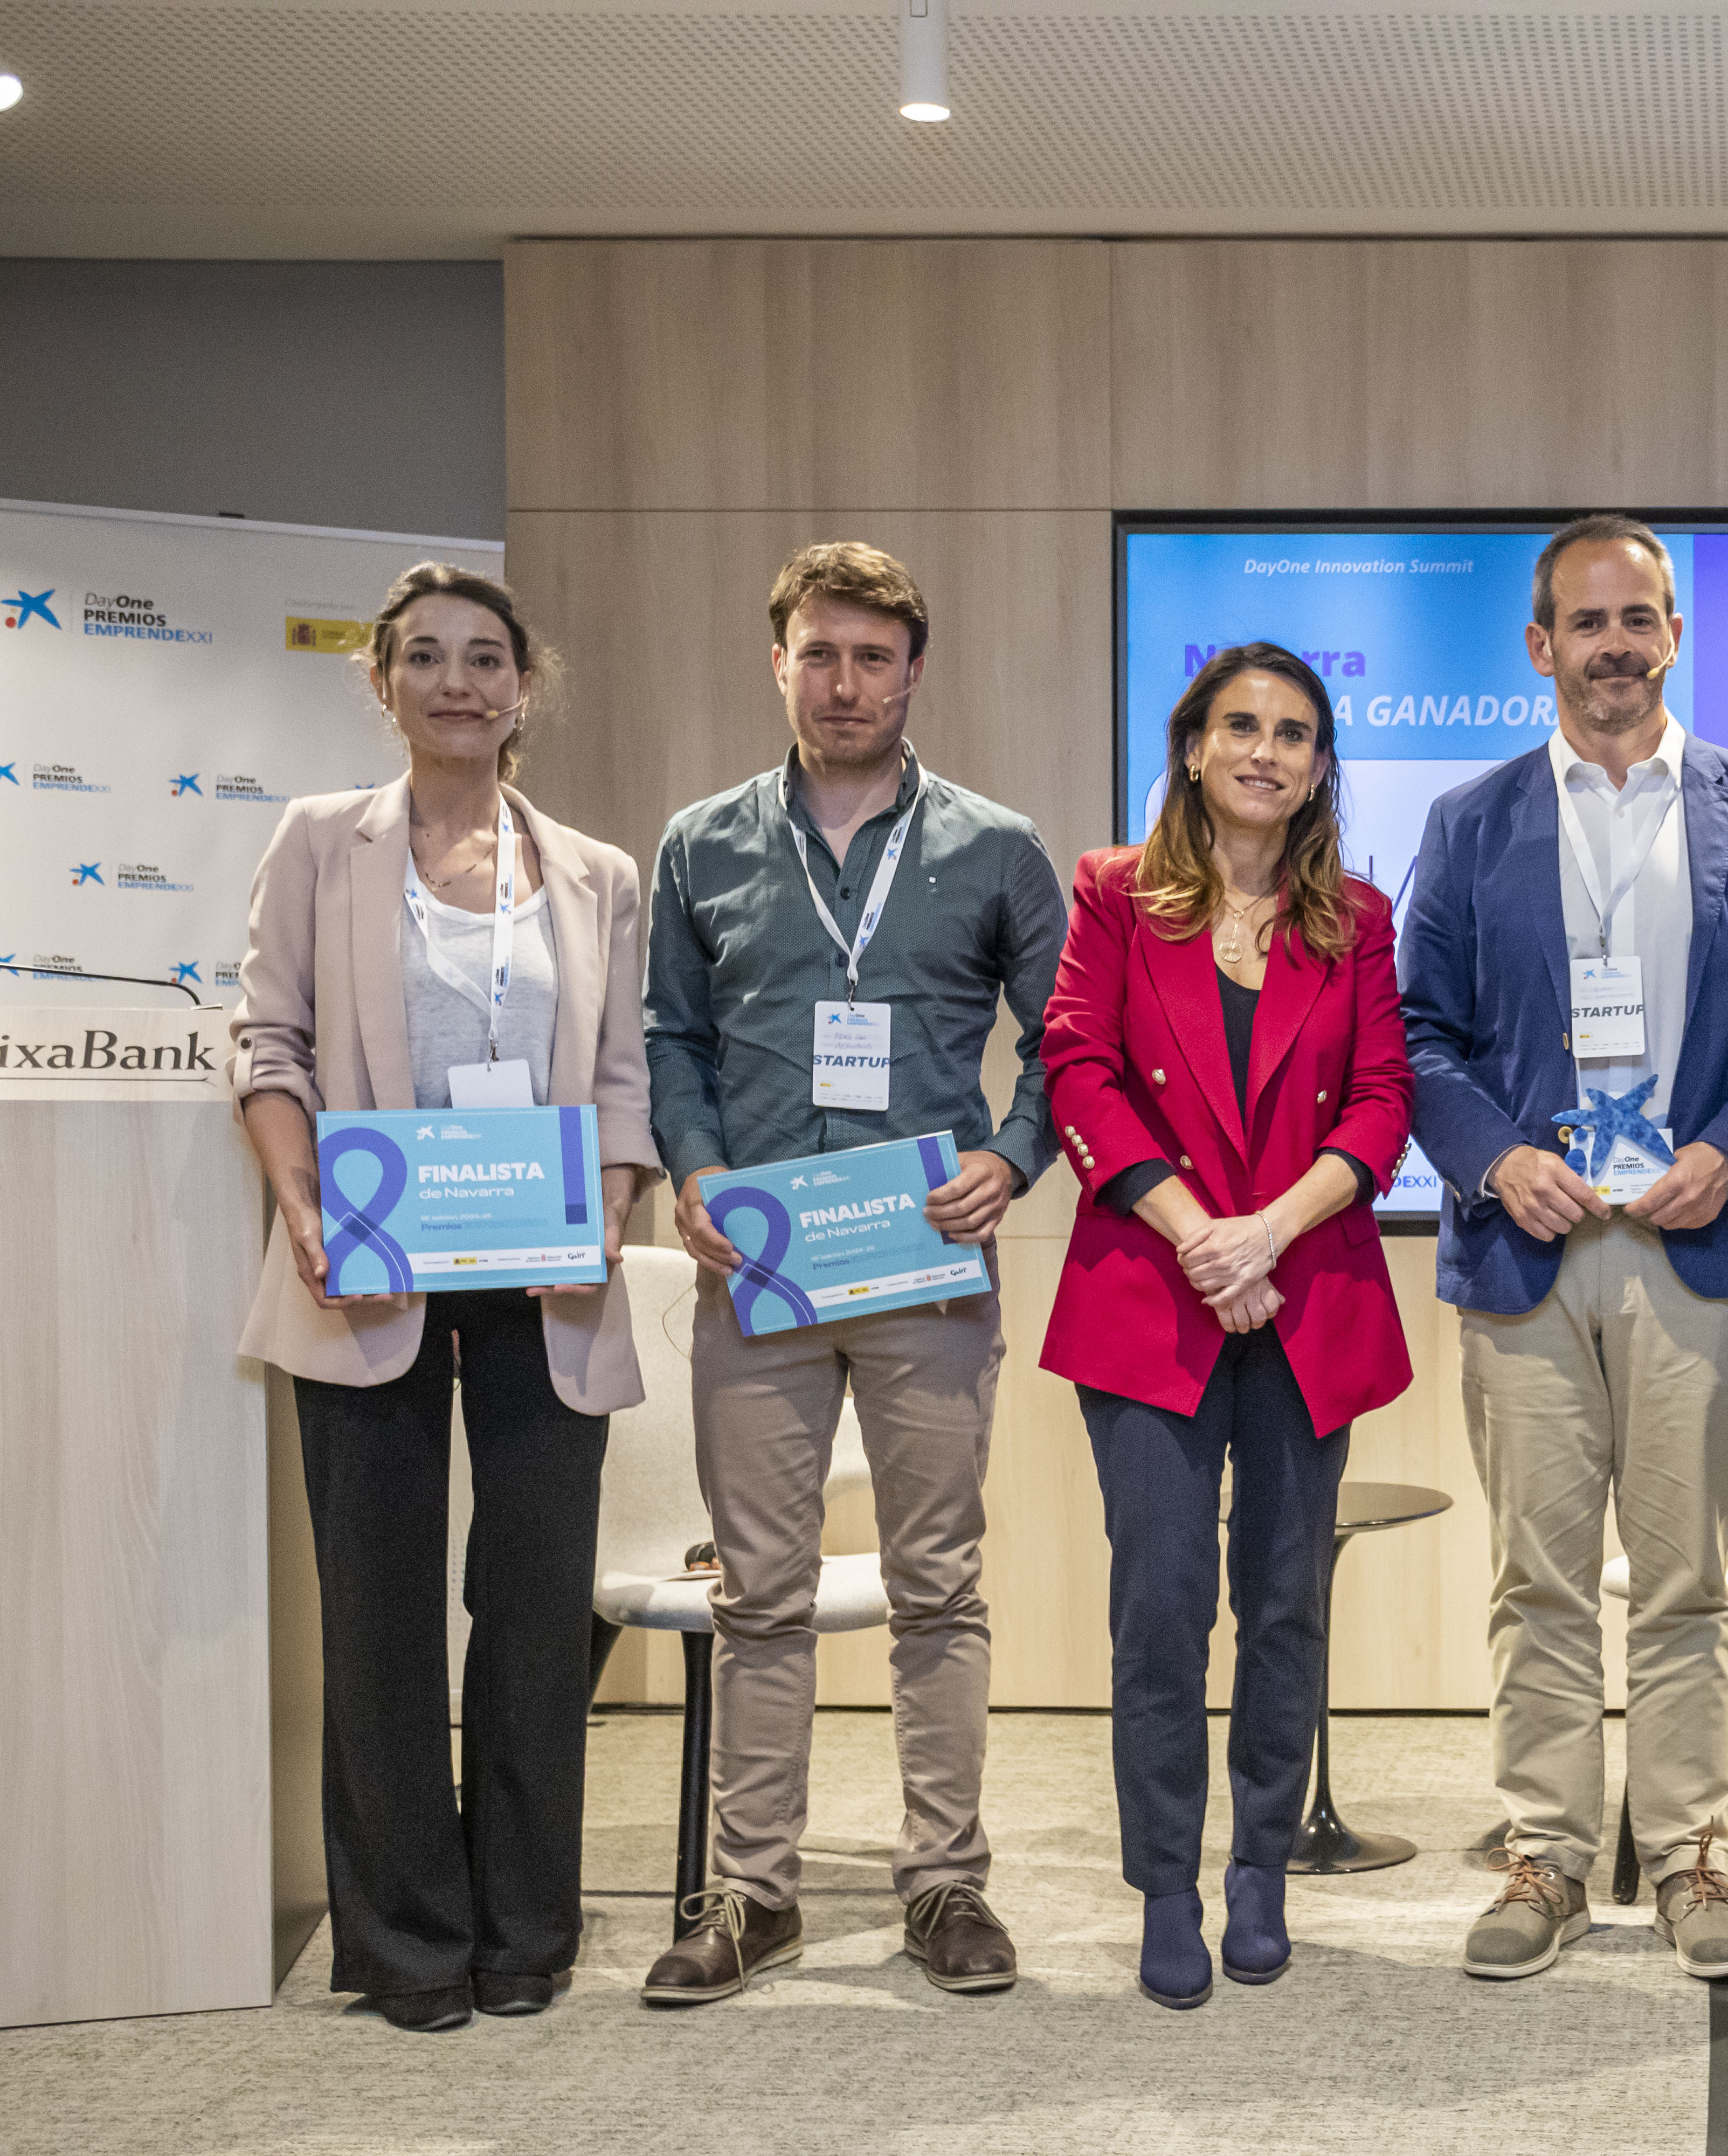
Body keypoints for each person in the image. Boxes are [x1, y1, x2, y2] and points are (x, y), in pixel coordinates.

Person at [1398, 514, 1728, 1982]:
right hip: (1525, 1243)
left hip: (1691, 1241)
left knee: (1685, 1576)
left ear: (1673, 633)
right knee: (1536, 1577)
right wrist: (1494, 1157)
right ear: (1540, 648)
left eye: (1636, 619)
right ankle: (1546, 1855)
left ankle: (1697, 1853)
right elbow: (1422, 1036)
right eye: (1584, 624)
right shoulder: (1470, 822)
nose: (1612, 647)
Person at [638, 542, 1068, 2004]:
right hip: (758, 1271)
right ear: (777, 663)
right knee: (760, 1595)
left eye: (872, 657)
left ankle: (945, 1880)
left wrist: (1011, 1156)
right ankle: (754, 1895)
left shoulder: (994, 848)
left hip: (925, 1260)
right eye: (818, 654)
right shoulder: (700, 843)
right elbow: (671, 1041)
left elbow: (1067, 1044)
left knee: (936, 1585)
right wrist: (692, 1171)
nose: (844, 683)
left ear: (914, 672)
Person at [233, 564, 654, 2033]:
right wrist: (299, 1199)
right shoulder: (316, 845)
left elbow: (620, 1082)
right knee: (384, 1613)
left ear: (523, 688)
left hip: (547, 1279)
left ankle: (524, 1927)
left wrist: (607, 1210)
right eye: (427, 658)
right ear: (385, 684)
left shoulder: (596, 872)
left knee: (536, 1611)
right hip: (369, 1273)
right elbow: (267, 1042)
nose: (458, 681)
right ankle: (409, 1942)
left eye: (485, 658)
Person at [1038, 644, 1415, 2008]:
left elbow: (1382, 1099)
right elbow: (1074, 1060)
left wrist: (1268, 1232)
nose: (1267, 750)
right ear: (1193, 743)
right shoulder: (1110, 894)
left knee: (1283, 1599)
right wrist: (1201, 1230)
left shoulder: (1357, 918)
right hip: (1153, 1286)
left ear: (1321, 766)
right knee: (1160, 1608)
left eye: (1296, 733)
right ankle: (1165, 1886)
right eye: (1241, 725)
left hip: (1305, 1289)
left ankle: (1261, 1865)